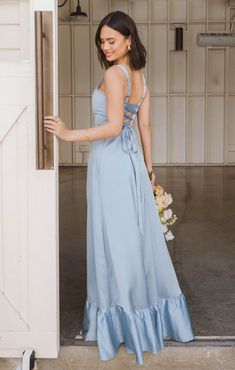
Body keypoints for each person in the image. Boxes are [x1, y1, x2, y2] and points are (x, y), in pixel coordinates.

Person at [44, 10, 194, 365]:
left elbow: (113, 127)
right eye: (101, 41)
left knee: (113, 241)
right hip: (129, 164)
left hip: (111, 163)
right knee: (133, 240)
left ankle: (118, 319)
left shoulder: (114, 74)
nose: (106, 47)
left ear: (129, 39)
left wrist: (68, 134)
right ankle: (143, 318)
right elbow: (146, 126)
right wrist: (148, 169)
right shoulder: (139, 76)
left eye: (112, 40)